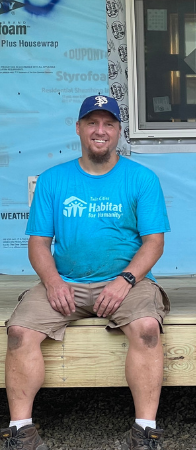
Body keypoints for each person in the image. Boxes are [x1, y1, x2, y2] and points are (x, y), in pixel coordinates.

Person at [2, 95, 170, 450]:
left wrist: (125, 281)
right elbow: (38, 244)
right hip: (66, 282)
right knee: (18, 331)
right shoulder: (53, 180)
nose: (100, 131)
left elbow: (154, 243)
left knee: (148, 329)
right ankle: (20, 431)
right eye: (92, 123)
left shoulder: (141, 178)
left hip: (128, 280)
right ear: (78, 129)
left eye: (108, 124)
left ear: (119, 132)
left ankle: (144, 432)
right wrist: (53, 282)